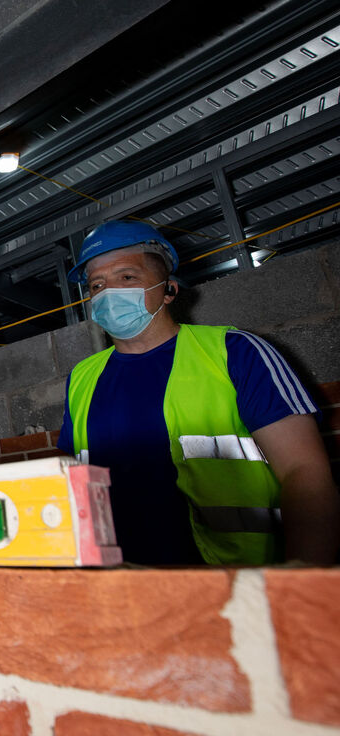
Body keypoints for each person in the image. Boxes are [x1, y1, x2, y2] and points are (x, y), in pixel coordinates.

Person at [57, 220, 339, 565]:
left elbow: (304, 471)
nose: (107, 293)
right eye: (96, 285)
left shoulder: (235, 351)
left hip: (235, 581)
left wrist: (303, 581)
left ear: (169, 290)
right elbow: (71, 483)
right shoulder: (82, 377)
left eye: (127, 277)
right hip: (120, 580)